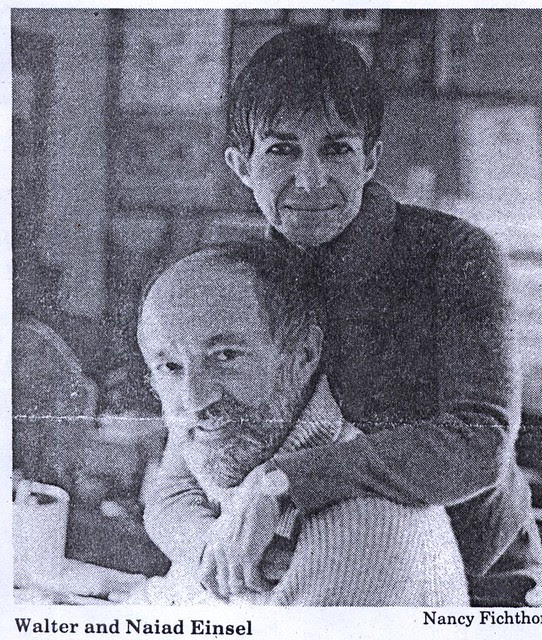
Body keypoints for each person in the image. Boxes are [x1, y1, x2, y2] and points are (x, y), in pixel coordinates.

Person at [145, 27, 542, 607]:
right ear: (241, 165)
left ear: (370, 160)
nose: (311, 180)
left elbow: (480, 443)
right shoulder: (243, 280)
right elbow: (175, 477)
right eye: (282, 150)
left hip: (479, 583)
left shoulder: (454, 254)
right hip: (310, 572)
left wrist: (286, 482)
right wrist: (217, 547)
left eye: (336, 149)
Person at [137, 243, 469, 605]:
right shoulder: (236, 440)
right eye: (170, 366)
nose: (195, 400)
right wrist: (210, 549)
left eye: (226, 356)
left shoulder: (355, 538)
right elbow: (171, 490)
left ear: (304, 354)